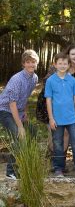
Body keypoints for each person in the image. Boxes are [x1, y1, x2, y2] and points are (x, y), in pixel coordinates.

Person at [45, 52, 75, 178]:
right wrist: (51, 118)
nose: (62, 66)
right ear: (55, 64)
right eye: (60, 63)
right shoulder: (50, 80)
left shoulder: (72, 80)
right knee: (57, 143)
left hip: (72, 119)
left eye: (65, 63)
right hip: (57, 119)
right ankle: (58, 168)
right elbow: (48, 100)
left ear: (69, 65)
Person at [0, 49, 39, 180]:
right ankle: (11, 171)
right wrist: (20, 126)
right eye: (28, 62)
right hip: (5, 111)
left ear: (36, 63)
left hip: (19, 111)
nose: (31, 65)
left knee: (32, 131)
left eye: (33, 62)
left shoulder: (34, 78)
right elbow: (12, 104)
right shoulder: (17, 79)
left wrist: (25, 112)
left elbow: (25, 97)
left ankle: (23, 163)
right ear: (23, 63)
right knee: (18, 134)